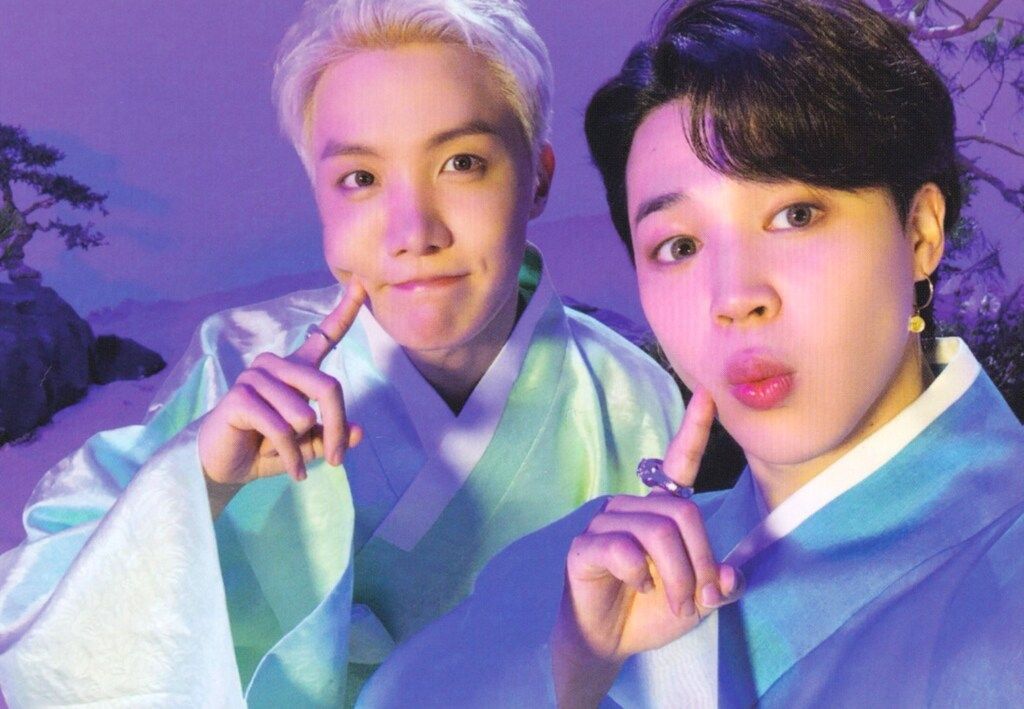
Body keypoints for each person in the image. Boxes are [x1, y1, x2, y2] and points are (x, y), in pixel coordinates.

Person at [0, 1, 683, 705]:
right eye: (360, 179)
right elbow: (31, 634)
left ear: (537, 176)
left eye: (462, 163)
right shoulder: (237, 362)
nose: (412, 232)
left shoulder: (627, 397)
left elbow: (670, 669)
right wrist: (197, 481)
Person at [358, 1, 1024, 706]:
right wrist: (573, 669)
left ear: (919, 233)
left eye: (795, 215)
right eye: (679, 246)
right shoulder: (574, 574)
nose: (734, 296)